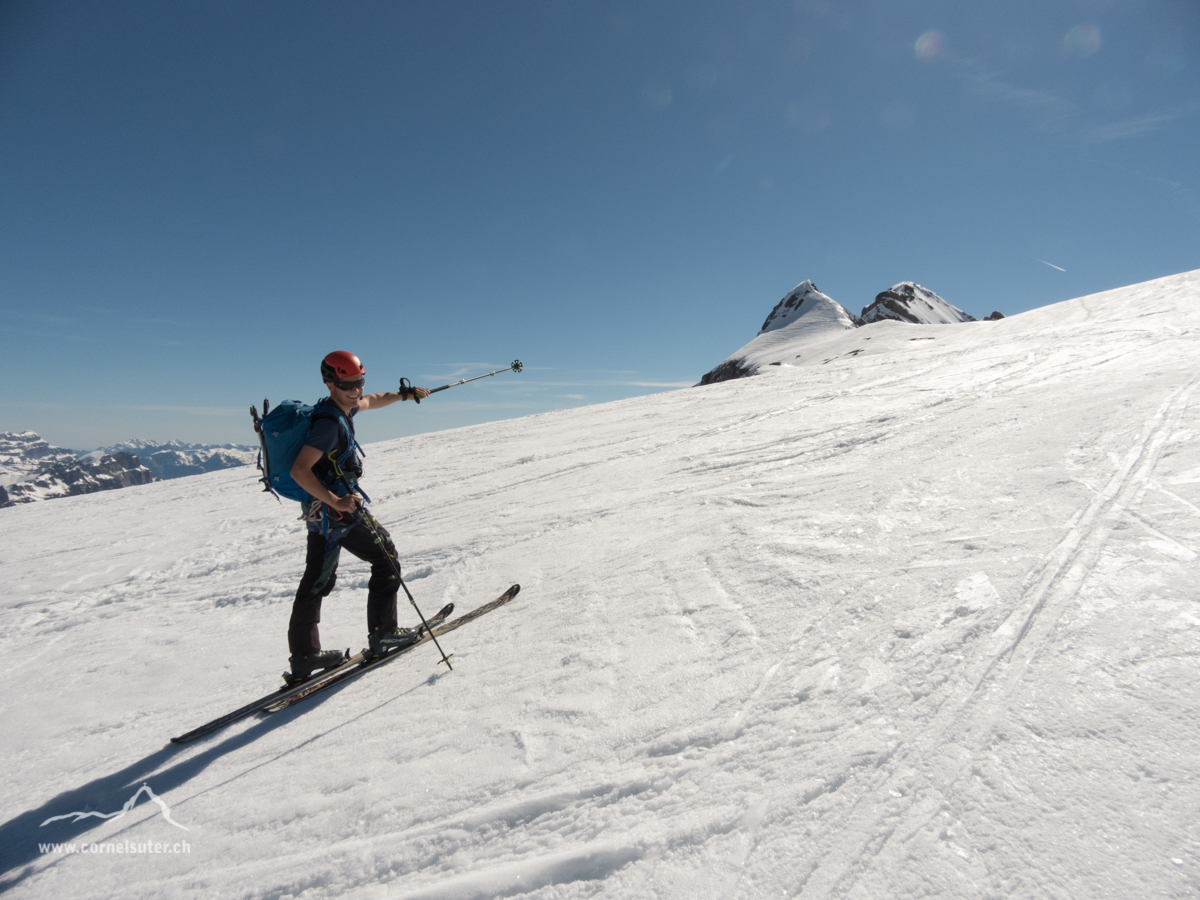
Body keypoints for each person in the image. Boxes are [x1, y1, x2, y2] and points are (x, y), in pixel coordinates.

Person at [286, 350, 430, 679]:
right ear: (330, 384)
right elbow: (299, 470)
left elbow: (374, 400)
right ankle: (384, 633)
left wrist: (404, 395)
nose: (355, 390)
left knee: (317, 579)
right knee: (386, 555)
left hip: (318, 512)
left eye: (359, 382)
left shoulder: (340, 408)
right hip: (336, 511)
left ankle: (305, 655)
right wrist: (335, 501)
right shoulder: (328, 423)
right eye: (347, 384)